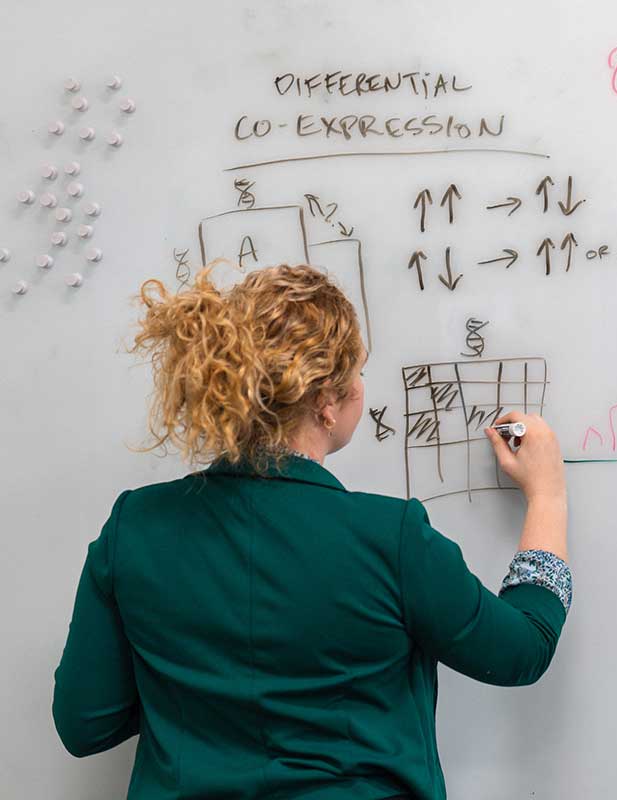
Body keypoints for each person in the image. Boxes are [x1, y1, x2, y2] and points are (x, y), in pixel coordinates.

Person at [52, 264, 571, 800]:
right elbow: (522, 649)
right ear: (326, 400)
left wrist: (198, 691)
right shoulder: (391, 538)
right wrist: (548, 495)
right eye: (358, 371)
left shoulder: (135, 527)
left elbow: (85, 724)